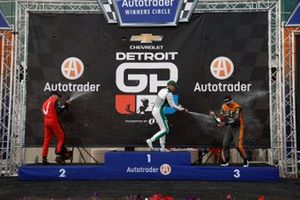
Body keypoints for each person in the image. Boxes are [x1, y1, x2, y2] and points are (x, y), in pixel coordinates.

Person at [146, 80, 188, 152]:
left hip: (156, 110)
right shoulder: (169, 93)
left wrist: (179, 106)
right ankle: (150, 140)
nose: (174, 89)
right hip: (159, 111)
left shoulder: (162, 90)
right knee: (165, 130)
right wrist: (183, 109)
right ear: (169, 86)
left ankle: (162, 147)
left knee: (164, 129)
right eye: (174, 87)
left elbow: (167, 103)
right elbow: (172, 106)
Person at [210, 96, 249, 167]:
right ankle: (226, 161)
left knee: (238, 146)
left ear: (232, 100)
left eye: (228, 102)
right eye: (226, 102)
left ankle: (245, 160)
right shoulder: (224, 106)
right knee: (225, 144)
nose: (227, 103)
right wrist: (214, 116)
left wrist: (224, 123)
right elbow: (220, 119)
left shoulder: (237, 107)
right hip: (230, 127)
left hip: (238, 127)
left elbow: (236, 121)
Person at [41, 91, 70, 164]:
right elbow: (58, 111)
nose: (58, 98)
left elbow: (45, 112)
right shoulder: (55, 101)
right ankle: (59, 152)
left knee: (46, 140)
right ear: (53, 95)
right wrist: (65, 105)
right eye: (58, 96)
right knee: (61, 136)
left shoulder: (44, 103)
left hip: (46, 121)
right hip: (53, 120)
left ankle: (44, 158)